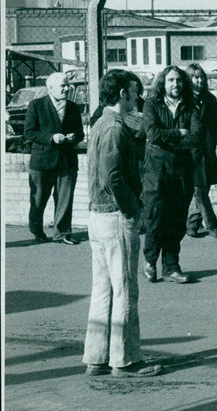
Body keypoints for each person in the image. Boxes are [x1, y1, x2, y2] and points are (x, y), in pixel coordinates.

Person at [82, 69, 162, 378]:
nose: (137, 97)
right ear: (121, 95)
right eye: (133, 92)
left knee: (103, 290)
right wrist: (132, 209)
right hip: (116, 216)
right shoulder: (115, 128)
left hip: (98, 217)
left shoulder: (101, 123)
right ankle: (126, 359)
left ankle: (98, 357)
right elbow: (112, 176)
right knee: (126, 290)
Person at [141, 66, 200, 284]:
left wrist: (170, 140)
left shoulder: (190, 105)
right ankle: (150, 261)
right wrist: (177, 134)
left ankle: (171, 267)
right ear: (163, 84)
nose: (176, 84)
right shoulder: (152, 104)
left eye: (179, 80)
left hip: (182, 170)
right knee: (156, 216)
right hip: (156, 170)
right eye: (171, 80)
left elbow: (195, 137)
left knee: (176, 221)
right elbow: (153, 134)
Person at [23, 71, 85, 244]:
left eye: (67, 85)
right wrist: (51, 138)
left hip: (66, 160)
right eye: (63, 86)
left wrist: (75, 137)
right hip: (42, 161)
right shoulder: (36, 105)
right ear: (50, 88)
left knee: (65, 199)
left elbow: (80, 132)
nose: (67, 89)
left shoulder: (73, 107)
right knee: (38, 199)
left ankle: (62, 233)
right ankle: (37, 230)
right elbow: (29, 132)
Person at [185, 64, 217, 238]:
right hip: (191, 154)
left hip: (208, 152)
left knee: (202, 189)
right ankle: (212, 225)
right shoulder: (185, 100)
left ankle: (192, 224)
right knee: (199, 189)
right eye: (195, 77)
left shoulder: (209, 99)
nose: (199, 80)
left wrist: (211, 142)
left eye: (201, 77)